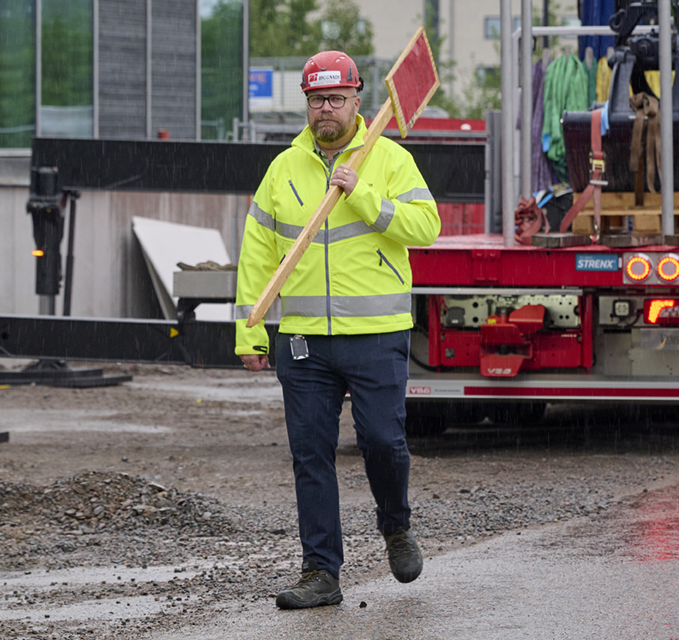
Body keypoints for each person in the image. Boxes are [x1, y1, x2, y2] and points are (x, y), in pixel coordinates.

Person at [235, 51, 441, 610]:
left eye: (337, 99)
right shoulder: (283, 171)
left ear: (357, 101)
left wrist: (365, 197)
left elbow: (427, 227)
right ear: (306, 104)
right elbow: (257, 257)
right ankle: (320, 572)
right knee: (311, 456)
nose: (326, 109)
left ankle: (395, 526)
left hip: (376, 335)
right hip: (304, 341)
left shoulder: (390, 159)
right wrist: (249, 332)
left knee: (383, 442)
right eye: (316, 100)